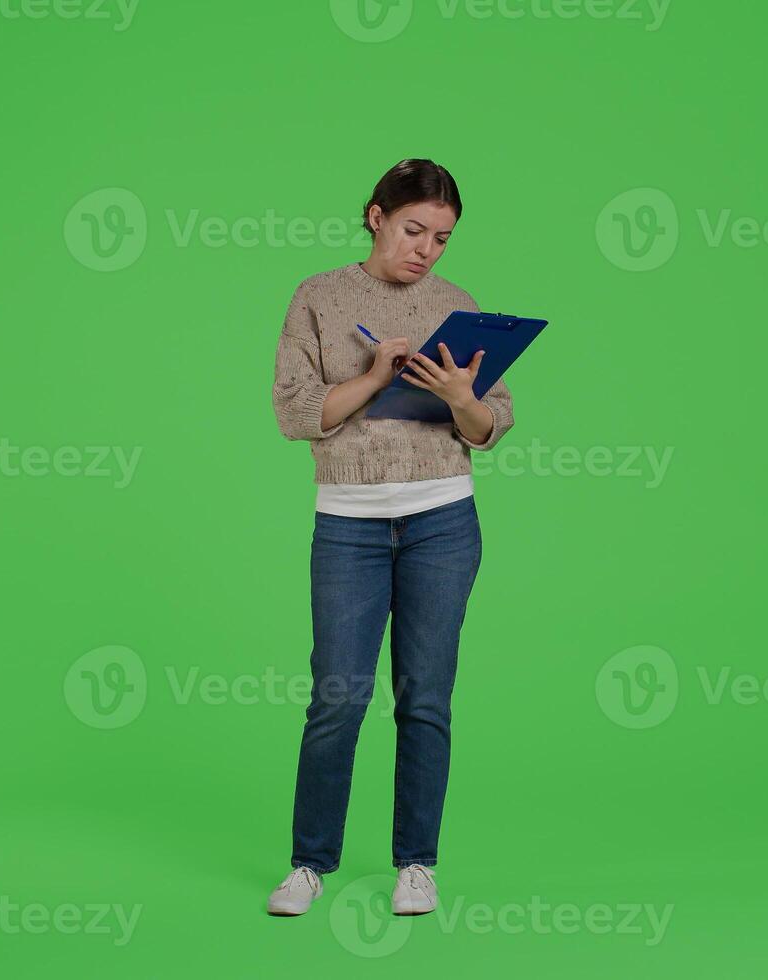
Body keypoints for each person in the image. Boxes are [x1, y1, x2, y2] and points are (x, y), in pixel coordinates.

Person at [264, 159, 515, 917]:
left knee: (427, 698)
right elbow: (295, 413)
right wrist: (375, 377)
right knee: (338, 697)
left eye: (441, 238)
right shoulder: (319, 297)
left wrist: (463, 398)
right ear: (376, 216)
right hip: (350, 524)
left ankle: (417, 863)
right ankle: (310, 864)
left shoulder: (457, 304)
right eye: (415, 231)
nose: (427, 251)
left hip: (444, 518)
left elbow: (490, 427)